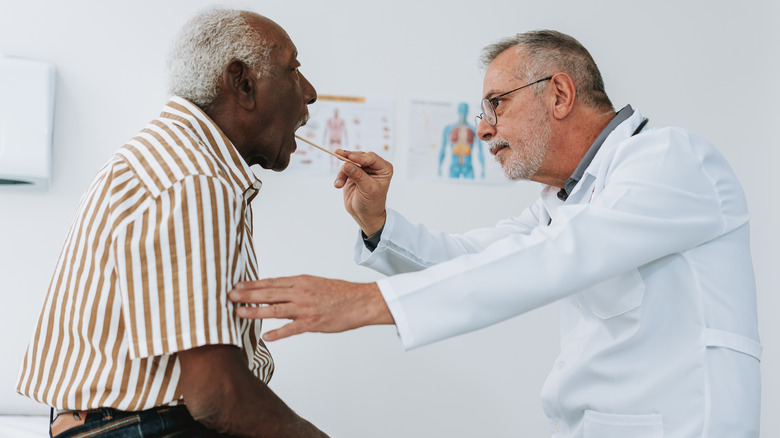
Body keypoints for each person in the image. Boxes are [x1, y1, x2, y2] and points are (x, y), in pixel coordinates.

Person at [228, 30, 762, 437]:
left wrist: (368, 303)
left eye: (496, 103)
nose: (482, 126)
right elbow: (470, 260)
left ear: (558, 93)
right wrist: (377, 223)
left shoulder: (672, 161)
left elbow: (552, 260)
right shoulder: (561, 202)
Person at [16, 8, 329, 438]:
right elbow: (217, 395)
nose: (310, 92)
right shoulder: (194, 178)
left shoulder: (174, 160)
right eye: (293, 69)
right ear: (242, 83)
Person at [439, 102, 484, 179]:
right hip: (454, 166)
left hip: (468, 167)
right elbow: (442, 150)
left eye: (464, 110)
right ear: (457, 111)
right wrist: (439, 167)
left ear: (468, 111)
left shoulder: (474, 130)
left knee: (471, 190)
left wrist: (483, 169)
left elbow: (480, 152)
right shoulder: (449, 129)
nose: (463, 112)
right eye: (461, 110)